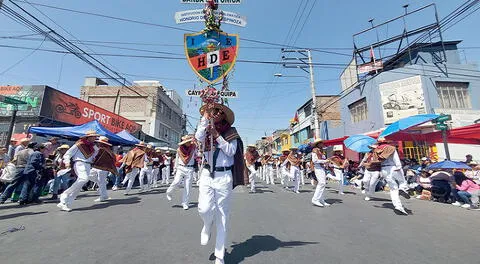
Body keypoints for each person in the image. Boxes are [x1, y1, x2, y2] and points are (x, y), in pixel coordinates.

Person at [195, 102, 247, 264]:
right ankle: (207, 223)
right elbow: (198, 138)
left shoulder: (231, 132)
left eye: (218, 112)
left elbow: (231, 151)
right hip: (207, 173)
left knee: (223, 216)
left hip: (224, 176)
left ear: (224, 115)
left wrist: (217, 135)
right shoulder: (206, 130)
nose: (215, 114)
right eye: (213, 112)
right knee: (204, 208)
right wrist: (205, 118)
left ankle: (219, 255)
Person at [57, 130, 99, 212]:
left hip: (88, 164)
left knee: (81, 184)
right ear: (88, 137)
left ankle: (66, 202)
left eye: (95, 136)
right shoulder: (79, 144)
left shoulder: (93, 146)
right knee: (84, 179)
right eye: (93, 136)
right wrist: (67, 162)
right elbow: (68, 154)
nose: (95, 138)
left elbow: (96, 153)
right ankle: (65, 194)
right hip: (79, 163)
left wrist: (94, 157)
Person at [372, 138, 410, 215]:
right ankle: (402, 189)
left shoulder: (376, 150)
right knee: (402, 181)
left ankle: (398, 207)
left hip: (384, 169)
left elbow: (375, 161)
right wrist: (399, 167)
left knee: (393, 189)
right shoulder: (391, 148)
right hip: (393, 167)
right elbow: (396, 158)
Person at [166, 135, 197, 209]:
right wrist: (175, 168)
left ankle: (185, 203)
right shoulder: (179, 149)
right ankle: (169, 192)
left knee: (188, 186)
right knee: (176, 181)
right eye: (187, 142)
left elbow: (197, 154)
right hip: (181, 167)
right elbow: (177, 159)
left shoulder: (193, 148)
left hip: (190, 168)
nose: (189, 143)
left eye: (189, 141)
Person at [90, 136, 118, 202]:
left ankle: (103, 196)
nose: (99, 144)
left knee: (101, 182)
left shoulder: (106, 151)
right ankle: (104, 190)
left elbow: (112, 159)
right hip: (96, 166)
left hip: (103, 168)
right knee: (89, 175)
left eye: (100, 143)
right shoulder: (100, 149)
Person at [311, 139, 330, 207]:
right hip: (318, 168)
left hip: (322, 168)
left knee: (323, 184)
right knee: (322, 183)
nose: (322, 144)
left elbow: (323, 160)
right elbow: (314, 161)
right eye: (321, 143)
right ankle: (315, 199)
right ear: (318, 144)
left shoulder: (321, 151)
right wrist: (324, 161)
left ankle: (321, 199)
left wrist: (327, 162)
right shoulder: (315, 150)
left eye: (322, 143)